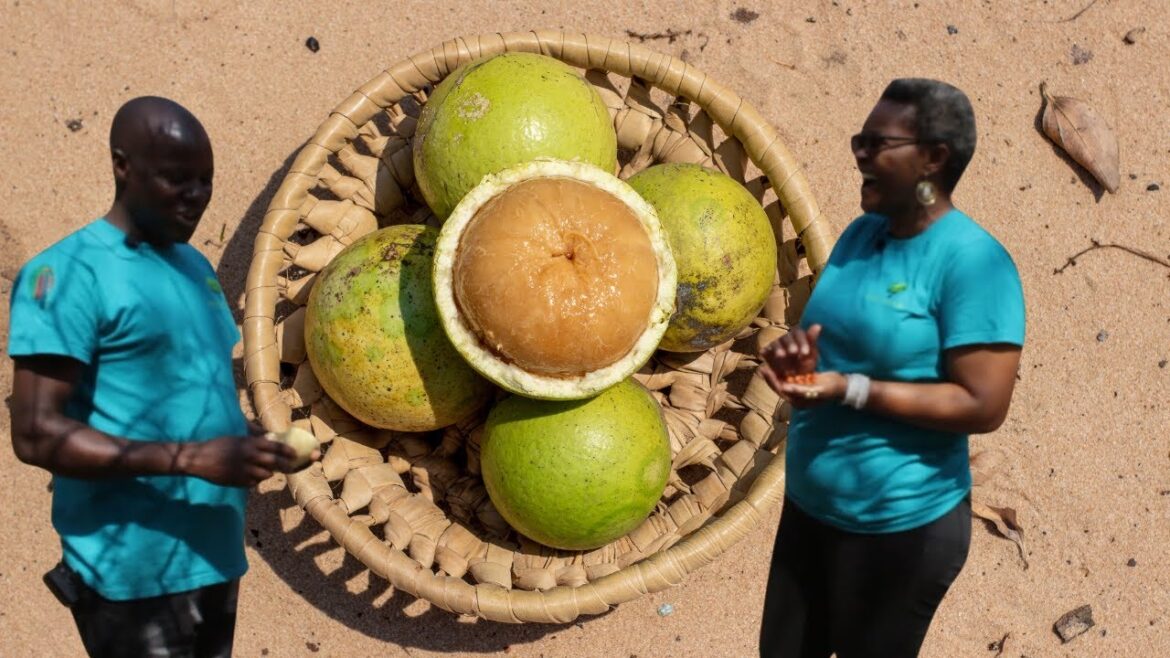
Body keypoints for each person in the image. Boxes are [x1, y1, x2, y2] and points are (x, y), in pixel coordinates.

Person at [7, 96, 315, 657]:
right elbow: (33, 433)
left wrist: (249, 446)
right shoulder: (65, 274)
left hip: (211, 553)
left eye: (206, 181)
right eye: (177, 179)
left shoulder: (194, 267)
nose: (196, 197)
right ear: (123, 166)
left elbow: (191, 387)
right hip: (131, 572)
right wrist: (194, 460)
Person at [756, 78, 1026, 658]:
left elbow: (984, 404)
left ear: (934, 158)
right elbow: (835, 358)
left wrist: (849, 389)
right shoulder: (860, 236)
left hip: (899, 531)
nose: (860, 156)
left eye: (878, 144)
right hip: (812, 508)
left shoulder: (975, 265)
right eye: (861, 141)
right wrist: (801, 376)